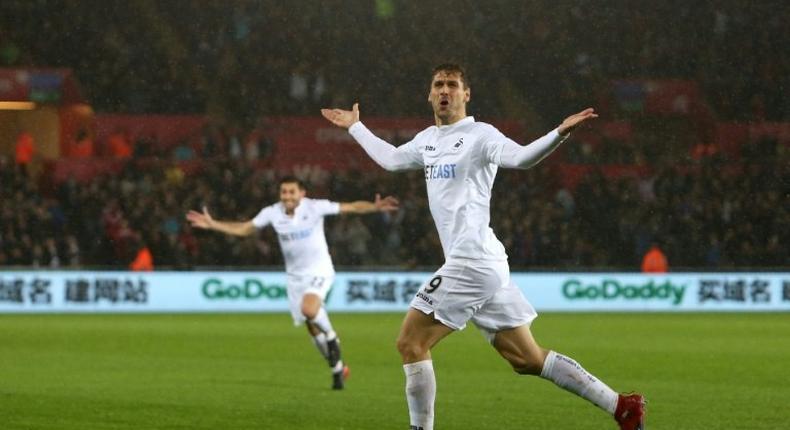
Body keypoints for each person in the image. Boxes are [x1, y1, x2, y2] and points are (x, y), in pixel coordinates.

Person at [321, 64, 646, 429]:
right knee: (527, 359)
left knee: (410, 342)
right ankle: (621, 405)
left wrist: (559, 133)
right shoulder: (428, 139)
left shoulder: (480, 135)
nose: (445, 90)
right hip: (484, 262)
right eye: (439, 85)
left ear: (466, 94)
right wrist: (355, 126)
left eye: (453, 85)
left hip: (471, 260)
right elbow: (393, 159)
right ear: (429, 95)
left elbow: (521, 158)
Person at [186, 176, 399, 390]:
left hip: (320, 270)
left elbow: (350, 207)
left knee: (309, 310)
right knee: (312, 328)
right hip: (295, 278)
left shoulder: (315, 207)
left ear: (302, 193)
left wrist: (374, 207)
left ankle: (333, 336)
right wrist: (213, 224)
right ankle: (338, 368)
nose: (287, 196)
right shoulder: (272, 212)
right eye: (284, 192)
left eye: (291, 192)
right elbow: (245, 229)